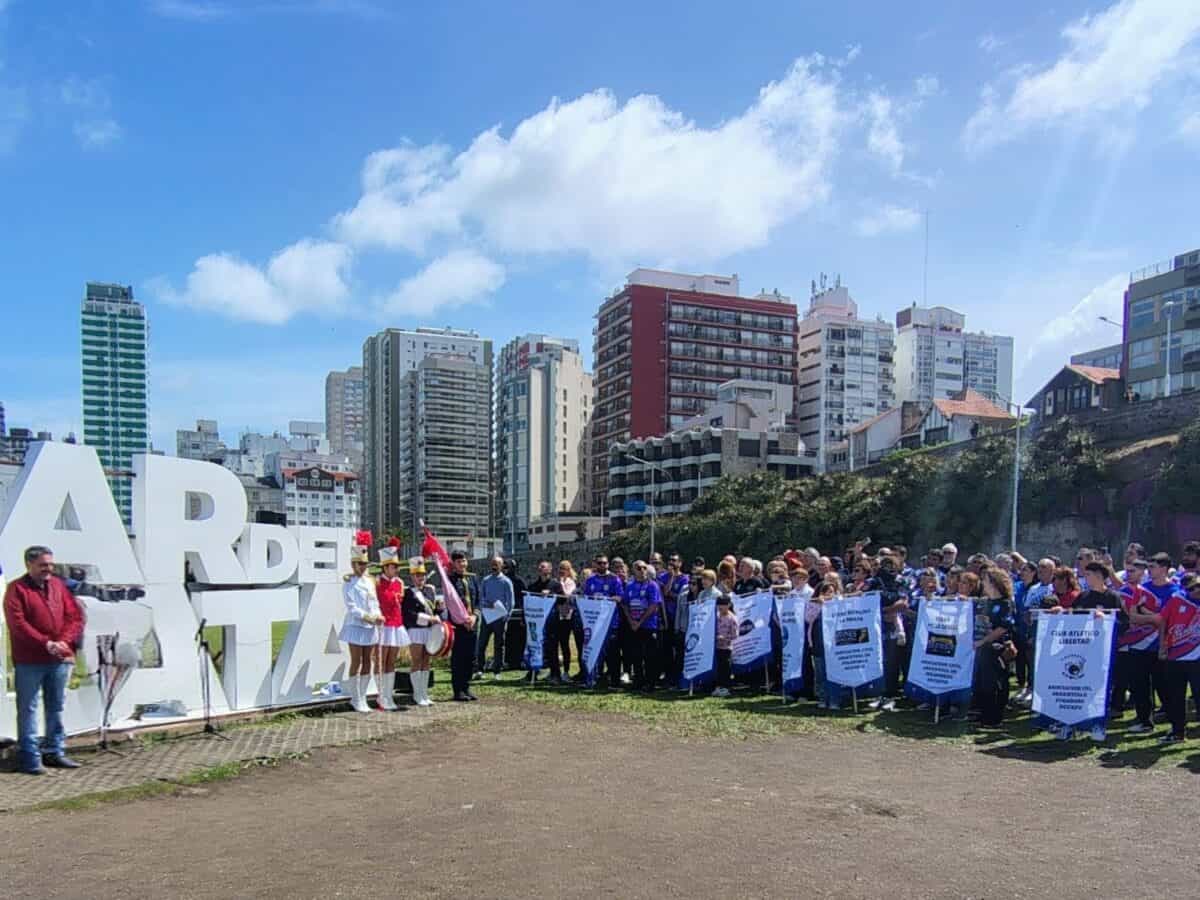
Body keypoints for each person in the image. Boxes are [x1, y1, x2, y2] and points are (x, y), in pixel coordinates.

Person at [3, 545, 84, 774]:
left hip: (58, 659)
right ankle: (30, 758)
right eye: (43, 565)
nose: (48, 568)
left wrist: (63, 641)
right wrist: (45, 643)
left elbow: (74, 616)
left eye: (50, 564)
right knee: (28, 709)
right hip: (30, 661)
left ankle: (54, 752)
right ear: (29, 565)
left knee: (56, 707)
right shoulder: (16, 589)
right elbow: (18, 624)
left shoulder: (58, 585)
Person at [1067, 561, 1130, 741]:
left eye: (1088, 575)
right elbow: (1071, 619)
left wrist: (1106, 619)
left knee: (1100, 689)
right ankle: (1077, 723)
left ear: (1100, 576)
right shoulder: (1082, 597)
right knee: (1080, 686)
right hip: (1082, 650)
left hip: (1103, 651)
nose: (1085, 578)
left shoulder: (1113, 597)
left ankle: (1097, 725)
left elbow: (1124, 623)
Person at [1112, 558, 1159, 732]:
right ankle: (1144, 720)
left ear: (1142, 572)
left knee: (1159, 684)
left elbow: (1157, 617)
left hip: (1152, 641)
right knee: (1138, 685)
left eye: (1132, 571)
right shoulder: (1122, 591)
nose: (1128, 574)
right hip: (1130, 643)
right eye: (1127, 571)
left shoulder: (1148, 592)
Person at [1155, 573, 1200, 744]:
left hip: (1197, 658)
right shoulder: (1176, 599)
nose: (1196, 591)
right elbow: (1163, 621)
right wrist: (1162, 645)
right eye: (1192, 588)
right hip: (1175, 656)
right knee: (1175, 697)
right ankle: (1177, 732)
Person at [340, 536, 383, 714]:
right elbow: (351, 607)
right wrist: (369, 618)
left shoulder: (370, 581)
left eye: (365, 564)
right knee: (356, 661)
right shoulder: (348, 582)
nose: (363, 567)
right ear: (353, 564)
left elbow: (374, 602)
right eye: (360, 564)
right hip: (356, 625)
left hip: (370, 627)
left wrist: (378, 615)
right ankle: (355, 698)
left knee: (368, 662)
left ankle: (362, 697)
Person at [972, 567, 1016, 729]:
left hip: (997, 647)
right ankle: (983, 713)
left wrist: (983, 641)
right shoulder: (984, 602)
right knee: (983, 682)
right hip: (982, 648)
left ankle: (994, 717)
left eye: (986, 580)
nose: (983, 583)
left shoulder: (1006, 603)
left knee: (995, 682)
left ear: (994, 583)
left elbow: (1003, 627)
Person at [374, 546, 410, 711]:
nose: (396, 569)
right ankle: (380, 696)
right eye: (393, 566)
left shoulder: (399, 583)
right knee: (381, 661)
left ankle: (389, 696)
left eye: (397, 566)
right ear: (385, 567)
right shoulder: (376, 582)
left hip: (396, 625)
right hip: (383, 625)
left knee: (391, 662)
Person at [402, 558, 439, 707]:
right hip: (416, 629)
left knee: (426, 660)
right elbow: (408, 614)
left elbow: (433, 609)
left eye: (422, 575)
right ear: (412, 576)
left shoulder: (430, 590)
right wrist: (429, 618)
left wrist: (439, 611)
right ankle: (417, 694)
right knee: (417, 660)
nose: (421, 578)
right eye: (417, 575)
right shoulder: (408, 593)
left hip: (429, 629)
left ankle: (424, 693)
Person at [583, 554, 624, 688]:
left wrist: (609, 599)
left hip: (610, 622)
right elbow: (586, 599)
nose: (602, 565)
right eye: (600, 563)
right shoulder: (590, 580)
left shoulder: (614, 579)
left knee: (613, 653)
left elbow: (620, 597)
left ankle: (615, 681)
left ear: (608, 564)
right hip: (594, 623)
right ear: (595, 564)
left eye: (605, 563)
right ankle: (595, 678)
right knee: (595, 651)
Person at [623, 560, 663, 691]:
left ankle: (650, 682)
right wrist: (631, 621)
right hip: (633, 626)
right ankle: (638, 681)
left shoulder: (652, 585)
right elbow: (625, 604)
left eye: (645, 568)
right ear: (633, 570)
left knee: (650, 656)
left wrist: (639, 622)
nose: (643, 570)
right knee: (636, 655)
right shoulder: (629, 586)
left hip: (648, 626)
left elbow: (653, 606)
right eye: (639, 568)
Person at [447, 550, 480, 702]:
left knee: (471, 657)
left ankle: (466, 686)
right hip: (458, 625)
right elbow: (452, 603)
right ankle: (458, 689)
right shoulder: (450, 581)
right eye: (459, 561)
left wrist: (475, 616)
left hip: (472, 623)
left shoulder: (472, 579)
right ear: (453, 564)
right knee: (459, 658)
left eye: (464, 561)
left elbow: (478, 600)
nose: (462, 564)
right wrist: (462, 620)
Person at [477, 555, 514, 680]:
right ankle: (480, 669)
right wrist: (485, 606)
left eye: (497, 564)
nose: (494, 566)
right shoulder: (486, 580)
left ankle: (497, 671)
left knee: (499, 645)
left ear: (501, 566)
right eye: (493, 563)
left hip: (500, 618)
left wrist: (507, 616)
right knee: (482, 644)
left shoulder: (506, 581)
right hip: (487, 616)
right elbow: (481, 598)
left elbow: (511, 601)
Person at [712, 593, 738, 698]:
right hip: (716, 647)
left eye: (723, 604)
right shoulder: (716, 616)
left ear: (728, 605)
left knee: (725, 668)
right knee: (718, 668)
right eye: (719, 604)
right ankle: (718, 686)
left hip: (726, 648)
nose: (720, 607)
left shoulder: (732, 618)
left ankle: (726, 687)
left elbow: (735, 635)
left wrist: (724, 638)